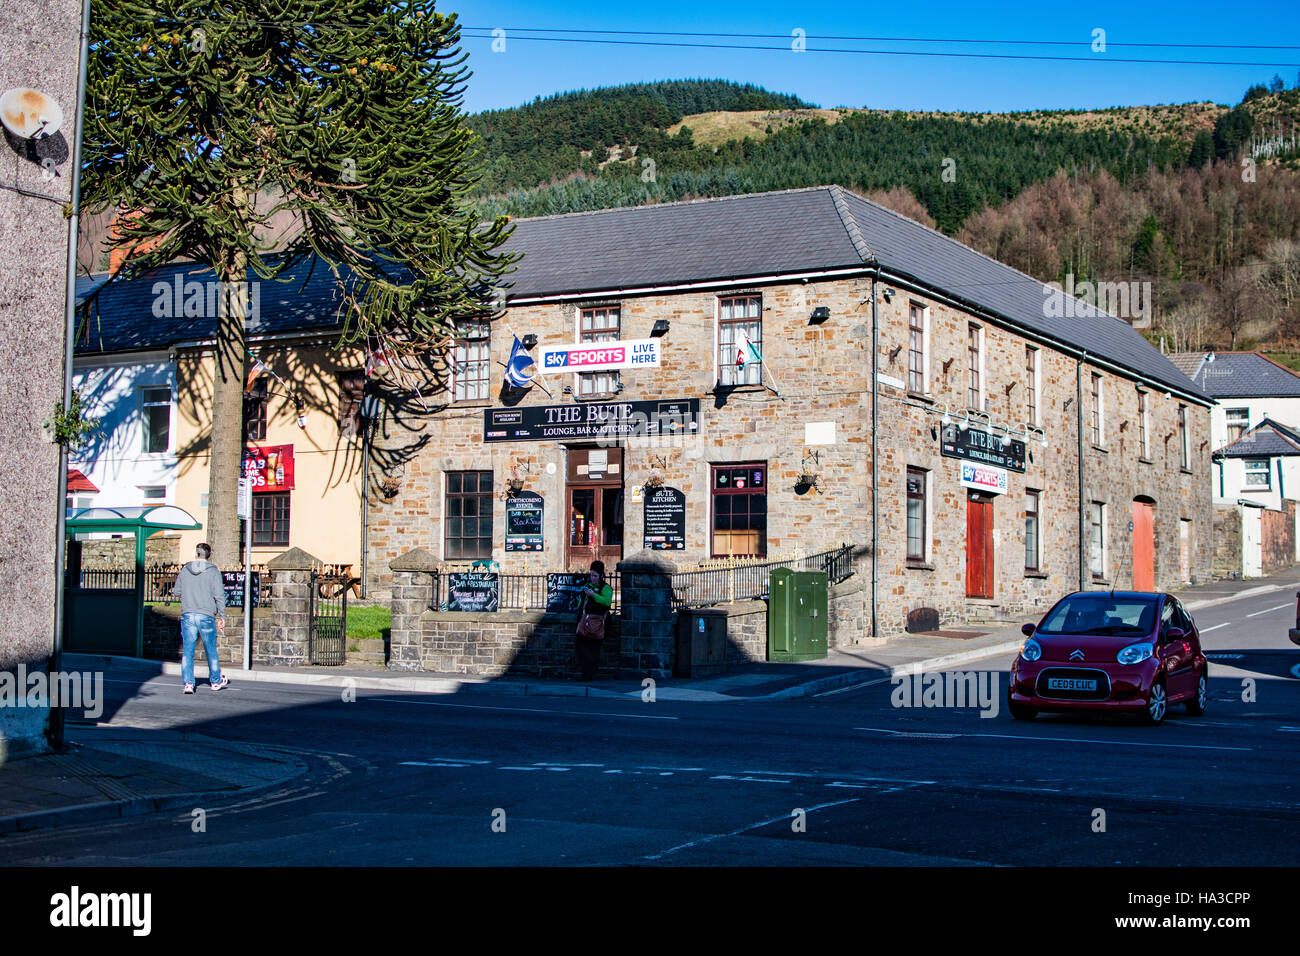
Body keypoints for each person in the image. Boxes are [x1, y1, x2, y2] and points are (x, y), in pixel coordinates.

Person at [173, 542, 231, 694]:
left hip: (188, 614)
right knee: (210, 649)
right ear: (209, 554)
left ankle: (188, 684)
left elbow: (177, 591)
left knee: (187, 651)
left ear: (196, 553)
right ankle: (215, 681)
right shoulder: (213, 571)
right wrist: (222, 616)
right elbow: (219, 595)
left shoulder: (185, 570)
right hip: (206, 615)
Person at [574, 560, 613, 681]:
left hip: (598, 623)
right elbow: (582, 602)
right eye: (591, 575)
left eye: (595, 575)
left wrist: (594, 595)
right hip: (585, 621)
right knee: (580, 646)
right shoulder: (588, 586)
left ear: (601, 575)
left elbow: (607, 602)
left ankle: (589, 674)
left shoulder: (606, 587)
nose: (592, 578)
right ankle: (587, 672)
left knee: (594, 649)